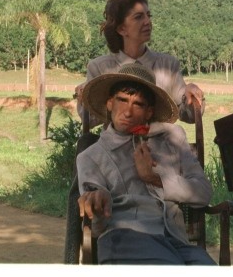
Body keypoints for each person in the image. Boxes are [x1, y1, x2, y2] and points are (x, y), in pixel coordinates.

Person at [77, 62, 216, 265]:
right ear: (109, 103)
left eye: (138, 104)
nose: (128, 111)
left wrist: (154, 178)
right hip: (126, 239)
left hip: (177, 241)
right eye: (122, 100)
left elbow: (203, 192)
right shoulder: (92, 156)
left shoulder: (171, 138)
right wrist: (97, 200)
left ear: (149, 112)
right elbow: (96, 216)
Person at [75, 0, 203, 127]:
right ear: (121, 29)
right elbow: (91, 120)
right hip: (115, 147)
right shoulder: (99, 67)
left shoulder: (168, 65)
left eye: (148, 15)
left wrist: (191, 96)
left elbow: (189, 116)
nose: (148, 21)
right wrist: (85, 97)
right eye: (138, 17)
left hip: (159, 146)